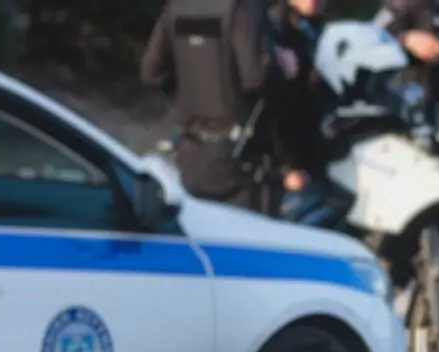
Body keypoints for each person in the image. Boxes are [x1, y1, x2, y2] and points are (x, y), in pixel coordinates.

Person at [140, 0, 300, 212]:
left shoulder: (178, 6)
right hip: (239, 161)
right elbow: (256, 78)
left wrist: (189, 91)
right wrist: (284, 68)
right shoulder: (243, 7)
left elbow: (151, 72)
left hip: (191, 153)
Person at [267, 0, 330, 198]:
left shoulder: (312, 25)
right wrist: (289, 165)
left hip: (316, 143)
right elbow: (276, 108)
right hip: (291, 157)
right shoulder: (277, 26)